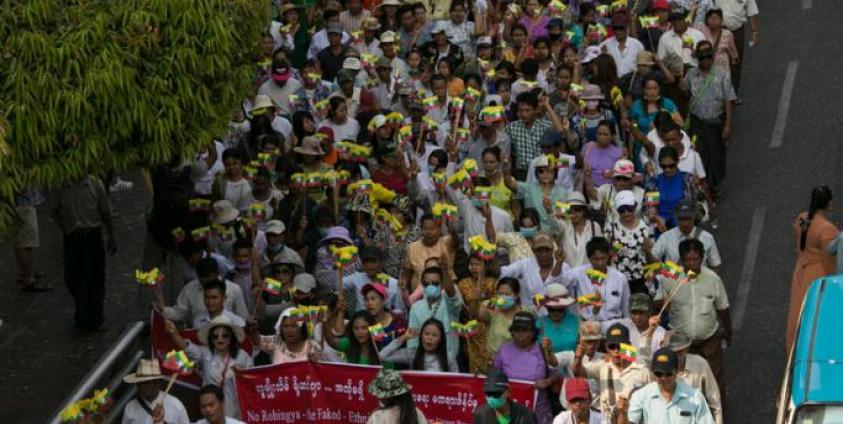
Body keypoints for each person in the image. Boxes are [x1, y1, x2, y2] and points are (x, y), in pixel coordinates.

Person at [656, 239, 730, 397]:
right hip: (680, 346)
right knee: (682, 382)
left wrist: (728, 331)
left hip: (708, 342)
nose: (692, 264)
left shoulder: (713, 279)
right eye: (688, 260)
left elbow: (723, 308)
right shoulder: (669, 278)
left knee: (715, 382)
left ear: (702, 258)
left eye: (696, 259)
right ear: (681, 260)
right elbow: (658, 305)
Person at [51, 174, 116, 332]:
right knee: (73, 277)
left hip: (92, 235)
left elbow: (105, 211)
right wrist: (66, 228)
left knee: (95, 278)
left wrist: (111, 235)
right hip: (73, 238)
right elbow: (54, 211)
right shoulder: (61, 184)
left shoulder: (94, 183)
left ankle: (93, 317)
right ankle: (85, 312)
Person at [164, 315, 252, 419]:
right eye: (215, 335)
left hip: (235, 412)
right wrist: (173, 332)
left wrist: (242, 374)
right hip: (210, 412)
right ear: (210, 337)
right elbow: (185, 346)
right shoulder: (205, 353)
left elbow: (253, 384)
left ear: (232, 336)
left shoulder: (243, 356)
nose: (220, 338)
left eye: (225, 335)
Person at [682, 41, 736, 195]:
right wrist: (682, 87)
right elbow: (685, 94)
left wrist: (728, 125)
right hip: (697, 122)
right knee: (701, 153)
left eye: (708, 56)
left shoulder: (721, 73)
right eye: (702, 57)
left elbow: (728, 99)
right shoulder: (691, 74)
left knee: (717, 153)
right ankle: (706, 185)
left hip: (715, 121)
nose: (705, 60)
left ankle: (716, 182)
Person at [787, 185, 836, 348]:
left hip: (800, 270)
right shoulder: (827, 229)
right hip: (817, 272)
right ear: (829, 204)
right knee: (817, 313)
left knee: (799, 312)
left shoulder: (802, 218)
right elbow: (829, 259)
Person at [573, 323, 651, 418]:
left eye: (620, 346)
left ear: (628, 345)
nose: (616, 351)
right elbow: (578, 373)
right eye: (612, 347)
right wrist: (578, 358)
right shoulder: (602, 365)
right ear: (606, 347)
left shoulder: (641, 369)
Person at [617, 348, 715, 424]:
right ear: (652, 373)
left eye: (668, 373)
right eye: (658, 374)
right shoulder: (641, 396)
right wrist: (623, 413)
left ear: (677, 371)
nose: (663, 378)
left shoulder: (695, 397)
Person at [493, 311, 559, 423]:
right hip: (510, 413)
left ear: (533, 333)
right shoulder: (504, 349)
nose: (520, 334)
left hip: (539, 413)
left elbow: (557, 372)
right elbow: (494, 377)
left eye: (524, 330)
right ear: (512, 332)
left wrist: (547, 382)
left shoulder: (543, 349)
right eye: (516, 330)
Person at [563, 237, 630, 331]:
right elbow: (560, 282)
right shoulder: (578, 274)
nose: (600, 262)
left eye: (603, 258)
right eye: (596, 259)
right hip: (588, 326)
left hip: (614, 327)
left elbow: (626, 308)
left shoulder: (620, 278)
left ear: (609, 255)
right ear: (589, 257)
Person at [158, 258, 249, 325]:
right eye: (203, 283)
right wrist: (164, 310)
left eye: (214, 297)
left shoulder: (234, 289)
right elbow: (180, 313)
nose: (210, 302)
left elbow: (243, 318)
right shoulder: (190, 289)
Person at [662, 332, 724, 424]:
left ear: (686, 350)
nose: (677, 357)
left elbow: (714, 397)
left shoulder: (700, 363)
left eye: (680, 352)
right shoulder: (662, 368)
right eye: (674, 353)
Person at [407, 264, 463, 360]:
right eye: (427, 284)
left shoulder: (449, 304)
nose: (431, 286)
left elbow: (451, 293)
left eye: (435, 283)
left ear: (442, 284)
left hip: (448, 359)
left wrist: (444, 269)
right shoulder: (416, 307)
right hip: (423, 361)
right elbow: (412, 338)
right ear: (422, 284)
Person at [603, 191, 654, 294]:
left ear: (635, 207)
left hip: (641, 279)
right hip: (617, 279)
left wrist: (648, 251)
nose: (626, 213)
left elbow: (652, 257)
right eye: (622, 210)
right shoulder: (610, 228)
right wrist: (611, 252)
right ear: (617, 211)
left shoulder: (646, 227)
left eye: (629, 209)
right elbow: (605, 257)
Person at [649, 200, 722, 271]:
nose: (685, 223)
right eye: (682, 219)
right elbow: (653, 260)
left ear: (694, 217)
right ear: (676, 218)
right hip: (674, 282)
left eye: (688, 219)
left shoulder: (707, 238)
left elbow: (715, 265)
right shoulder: (665, 237)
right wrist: (647, 252)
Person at [499, 233, 568, 306]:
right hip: (529, 315)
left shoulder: (564, 267)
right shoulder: (524, 264)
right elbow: (502, 273)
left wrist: (558, 264)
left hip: (555, 314)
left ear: (552, 250)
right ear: (533, 250)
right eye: (539, 251)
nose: (543, 254)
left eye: (547, 250)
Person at [121, 359, 190, 424]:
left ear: (157, 383)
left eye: (145, 383)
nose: (141, 387)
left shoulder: (176, 406)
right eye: (139, 383)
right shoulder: (130, 407)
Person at [378, 318, 458, 371]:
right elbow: (382, 356)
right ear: (421, 336)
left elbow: (456, 381)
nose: (429, 338)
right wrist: (404, 337)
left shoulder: (449, 356)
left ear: (441, 339)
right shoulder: (413, 353)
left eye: (435, 335)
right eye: (426, 334)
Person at [555, 192, 603, 268]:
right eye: (569, 209)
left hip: (588, 275)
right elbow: (552, 225)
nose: (573, 212)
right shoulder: (564, 225)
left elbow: (601, 251)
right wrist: (551, 212)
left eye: (577, 209)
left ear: (584, 211)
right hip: (568, 275)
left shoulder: (594, 226)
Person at [473, 369, 538, 424]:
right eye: (488, 393)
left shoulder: (526, 416)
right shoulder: (480, 414)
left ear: (508, 391)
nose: (492, 398)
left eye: (497, 393)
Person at [537, 283, 579, 353]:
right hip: (548, 362)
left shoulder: (576, 320)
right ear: (546, 307)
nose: (556, 313)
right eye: (552, 310)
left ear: (565, 307)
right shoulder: (539, 323)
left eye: (560, 310)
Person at [600, 13, 644, 78]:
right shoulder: (605, 45)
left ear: (627, 28)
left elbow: (642, 65)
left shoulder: (637, 45)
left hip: (632, 82)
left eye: (621, 28)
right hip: (612, 81)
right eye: (615, 28)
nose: (618, 31)